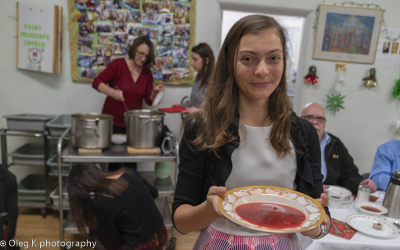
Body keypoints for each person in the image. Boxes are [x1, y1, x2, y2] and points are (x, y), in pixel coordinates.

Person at [172, 15, 331, 249]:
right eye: (248, 59)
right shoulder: (202, 128)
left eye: (273, 58)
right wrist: (208, 210)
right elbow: (181, 221)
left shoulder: (304, 132)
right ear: (229, 63)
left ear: (284, 62)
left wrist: (314, 225)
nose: (262, 70)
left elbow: (323, 218)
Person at [66, 163, 166, 250]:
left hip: (144, 247)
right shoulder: (128, 172)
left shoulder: (100, 202)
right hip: (161, 234)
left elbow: (116, 240)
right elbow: (154, 193)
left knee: (95, 233)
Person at [92, 36, 165, 134]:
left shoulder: (147, 73)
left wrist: (155, 92)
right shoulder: (118, 65)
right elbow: (96, 83)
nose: (143, 58)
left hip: (134, 124)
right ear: (134, 50)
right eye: (141, 54)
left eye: (146, 56)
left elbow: (149, 101)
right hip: (112, 122)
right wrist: (113, 92)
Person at [301, 102, 377, 194]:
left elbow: (349, 173)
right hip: (304, 196)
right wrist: (313, 188)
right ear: (300, 120)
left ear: (325, 123)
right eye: (309, 117)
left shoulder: (335, 144)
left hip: (332, 199)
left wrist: (359, 184)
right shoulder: (293, 143)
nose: (314, 122)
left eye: (320, 119)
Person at [177, 43, 215, 115]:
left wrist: (198, 111)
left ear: (207, 60)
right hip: (195, 122)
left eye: (195, 59)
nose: (192, 63)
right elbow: (194, 104)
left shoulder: (216, 80)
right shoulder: (198, 77)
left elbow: (218, 111)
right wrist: (180, 106)